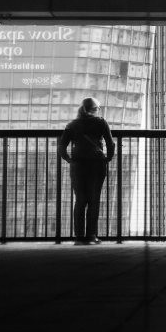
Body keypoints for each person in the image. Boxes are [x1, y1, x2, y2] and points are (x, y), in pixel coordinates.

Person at [58, 97, 115, 245]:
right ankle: (91, 236)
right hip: (97, 164)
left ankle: (78, 237)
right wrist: (107, 158)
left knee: (80, 200)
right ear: (95, 109)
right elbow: (110, 143)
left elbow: (61, 147)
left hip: (78, 165)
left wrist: (70, 160)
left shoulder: (72, 125)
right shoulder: (101, 122)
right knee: (93, 200)